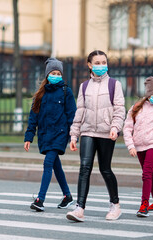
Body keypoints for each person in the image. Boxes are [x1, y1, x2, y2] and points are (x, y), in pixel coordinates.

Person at [66, 50, 125, 222]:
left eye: (104, 62)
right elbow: (80, 112)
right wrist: (74, 135)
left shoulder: (115, 85)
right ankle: (79, 208)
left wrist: (115, 127)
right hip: (88, 131)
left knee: (105, 169)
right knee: (84, 167)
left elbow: (120, 109)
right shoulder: (84, 86)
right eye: (97, 63)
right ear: (90, 65)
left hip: (107, 132)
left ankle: (115, 205)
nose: (101, 65)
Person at [24, 57, 77, 212]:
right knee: (55, 165)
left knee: (48, 163)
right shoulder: (40, 95)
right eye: (53, 73)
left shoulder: (66, 92)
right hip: (45, 135)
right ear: (47, 75)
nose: (56, 75)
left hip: (60, 134)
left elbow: (72, 116)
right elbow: (33, 117)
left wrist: (73, 136)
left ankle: (40, 199)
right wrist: (29, 137)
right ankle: (67, 196)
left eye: (58, 73)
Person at [123, 76, 153, 217]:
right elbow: (127, 128)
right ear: (148, 94)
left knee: (146, 172)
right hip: (138, 145)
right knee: (149, 172)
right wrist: (130, 145)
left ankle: (144, 204)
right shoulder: (136, 108)